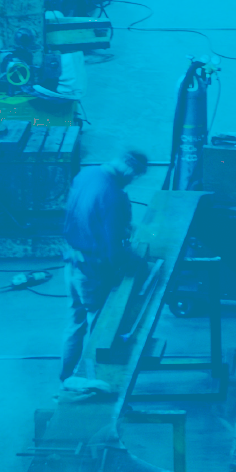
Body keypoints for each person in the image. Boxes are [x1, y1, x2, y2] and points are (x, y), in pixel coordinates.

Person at [59, 151, 149, 387]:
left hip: (71, 261)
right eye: (135, 176)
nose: (132, 181)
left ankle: (66, 378)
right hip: (91, 271)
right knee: (97, 328)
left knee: (75, 322)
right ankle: (90, 379)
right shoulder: (112, 195)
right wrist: (138, 263)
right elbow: (114, 252)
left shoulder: (87, 173)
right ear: (130, 171)